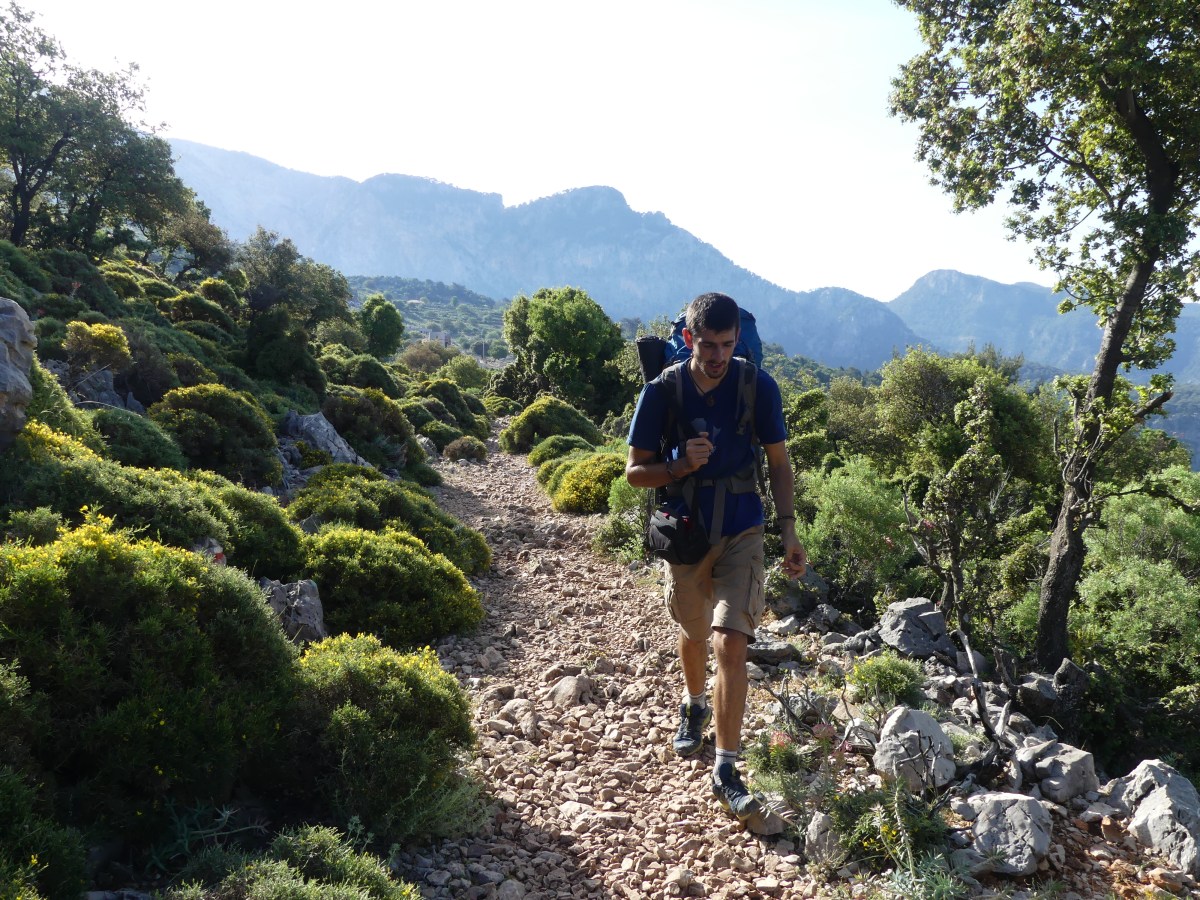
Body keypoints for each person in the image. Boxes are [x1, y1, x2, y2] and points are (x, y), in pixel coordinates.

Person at [625, 292, 808, 821]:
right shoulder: (662, 391)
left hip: (743, 529)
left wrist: (789, 532)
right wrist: (679, 465)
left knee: (731, 642)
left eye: (727, 345)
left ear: (737, 340)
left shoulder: (757, 385)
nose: (719, 356)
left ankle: (726, 769)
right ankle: (694, 703)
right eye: (708, 345)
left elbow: (779, 464)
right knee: (694, 631)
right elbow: (635, 472)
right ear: (689, 339)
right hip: (686, 533)